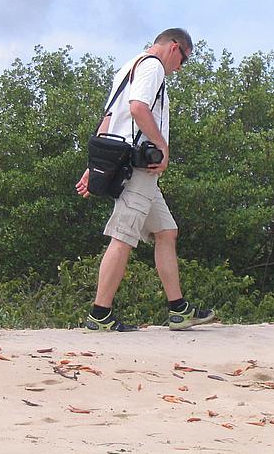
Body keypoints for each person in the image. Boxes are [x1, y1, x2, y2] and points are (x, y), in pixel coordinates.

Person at [75, 28, 215, 332]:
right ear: (175, 47)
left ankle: (179, 310)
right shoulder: (153, 67)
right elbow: (138, 108)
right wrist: (162, 147)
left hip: (131, 167)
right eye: (184, 60)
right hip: (138, 168)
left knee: (166, 231)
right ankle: (100, 315)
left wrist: (94, 165)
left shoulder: (129, 66)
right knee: (123, 236)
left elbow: (109, 119)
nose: (180, 68)